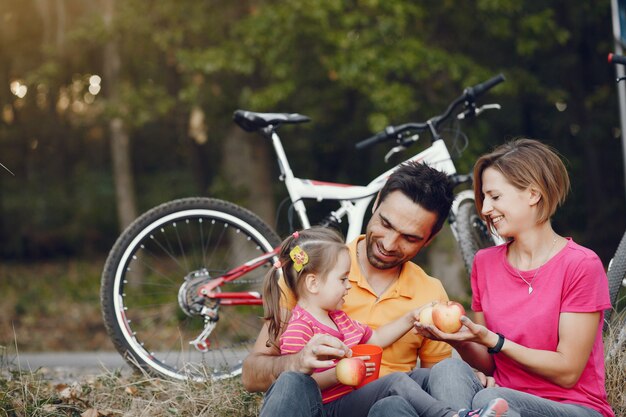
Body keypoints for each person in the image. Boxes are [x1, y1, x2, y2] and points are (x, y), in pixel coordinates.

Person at [243, 161, 502, 417]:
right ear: (376, 203)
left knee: (395, 404)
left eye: (409, 237)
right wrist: (296, 362)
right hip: (317, 404)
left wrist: (466, 382)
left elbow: (435, 383)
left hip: (382, 407)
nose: (389, 244)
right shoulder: (313, 273)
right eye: (386, 224)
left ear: (429, 239)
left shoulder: (430, 295)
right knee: (292, 381)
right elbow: (252, 376)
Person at [415, 139, 614, 417]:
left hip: (572, 408)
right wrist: (458, 339)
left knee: (491, 397)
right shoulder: (485, 264)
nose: (484, 209)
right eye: (483, 198)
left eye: (495, 197)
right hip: (500, 404)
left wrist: (496, 341)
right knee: (448, 369)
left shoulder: (581, 265)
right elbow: (489, 365)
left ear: (533, 194)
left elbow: (568, 372)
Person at [262, 226, 509, 417]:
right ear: (313, 283)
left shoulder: (339, 319)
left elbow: (377, 339)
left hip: (348, 400)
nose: (348, 286)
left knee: (423, 377)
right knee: (395, 380)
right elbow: (300, 387)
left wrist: (410, 318)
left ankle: (466, 403)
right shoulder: (299, 328)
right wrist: (339, 374)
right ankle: (450, 415)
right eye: (342, 279)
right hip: (327, 408)